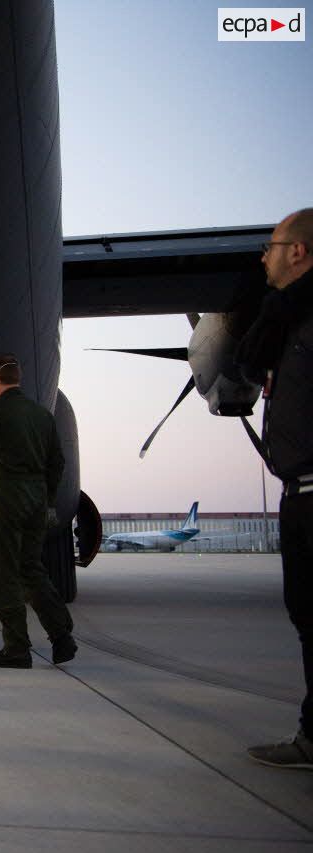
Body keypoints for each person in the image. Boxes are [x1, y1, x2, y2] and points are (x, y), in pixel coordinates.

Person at [237, 208, 313, 770]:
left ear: (299, 253)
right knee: (307, 617)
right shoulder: (284, 323)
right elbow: (246, 363)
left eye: (271, 245)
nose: (263, 255)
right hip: (299, 496)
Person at [0, 354, 75, 669]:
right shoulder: (41, 415)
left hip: (8, 496)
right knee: (31, 568)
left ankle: (17, 648)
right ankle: (61, 635)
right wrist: (46, 497)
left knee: (3, 572)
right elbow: (57, 462)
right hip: (37, 498)